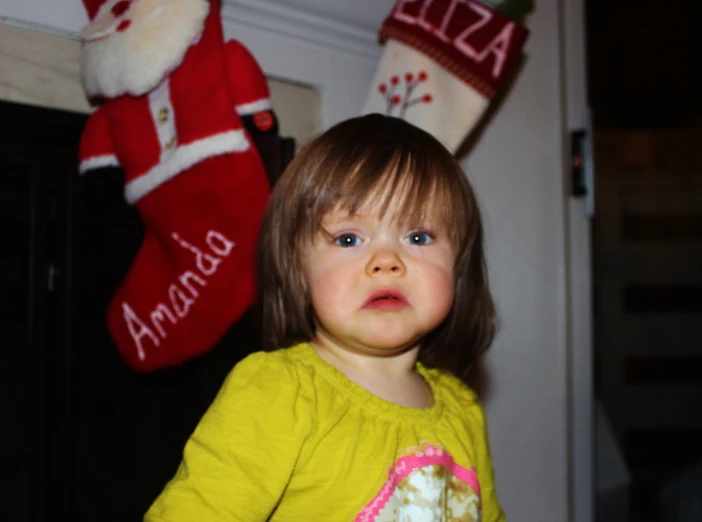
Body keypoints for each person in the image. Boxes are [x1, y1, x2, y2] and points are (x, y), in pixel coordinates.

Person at [144, 113, 504, 521]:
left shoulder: (462, 410)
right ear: (298, 269)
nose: (386, 261)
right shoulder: (280, 393)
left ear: (459, 266)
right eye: (349, 239)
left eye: (417, 237)